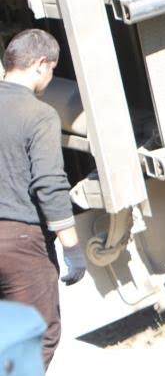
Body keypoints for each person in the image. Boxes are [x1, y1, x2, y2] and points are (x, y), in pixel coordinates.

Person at [0, 29, 88, 369]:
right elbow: (48, 183)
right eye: (52, 70)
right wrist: (72, 249)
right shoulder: (38, 114)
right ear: (40, 65)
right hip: (20, 242)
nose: (50, 78)